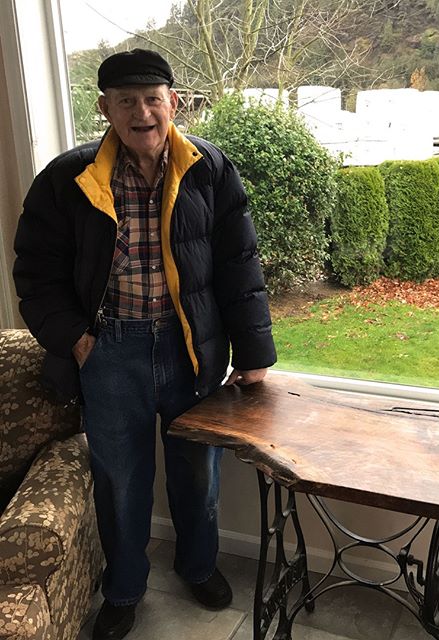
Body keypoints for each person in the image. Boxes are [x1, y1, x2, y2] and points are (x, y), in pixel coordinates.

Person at [13, 49, 276, 640]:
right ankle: (125, 588)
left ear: (173, 103)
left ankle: (198, 566)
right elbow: (35, 272)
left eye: (152, 98)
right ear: (105, 108)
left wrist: (254, 354)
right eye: (126, 101)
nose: (141, 112)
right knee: (120, 481)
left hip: (192, 351)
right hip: (110, 354)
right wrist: (78, 343)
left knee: (197, 475)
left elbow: (240, 263)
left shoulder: (210, 168)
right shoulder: (67, 177)